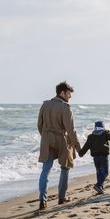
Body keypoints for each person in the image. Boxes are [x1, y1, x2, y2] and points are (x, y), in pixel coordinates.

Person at [37, 81, 81, 210]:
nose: (70, 97)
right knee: (65, 167)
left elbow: (39, 125)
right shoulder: (65, 107)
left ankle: (42, 200)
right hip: (62, 139)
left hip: (47, 138)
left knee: (46, 169)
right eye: (68, 94)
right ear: (62, 93)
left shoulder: (45, 105)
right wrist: (78, 147)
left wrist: (45, 136)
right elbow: (71, 130)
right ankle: (62, 197)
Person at [79, 120, 110, 194]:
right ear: (103, 127)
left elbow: (85, 147)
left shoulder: (91, 136)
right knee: (105, 172)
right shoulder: (105, 133)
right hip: (103, 156)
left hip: (95, 158)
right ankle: (98, 185)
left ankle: (100, 188)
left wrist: (80, 153)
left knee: (99, 172)